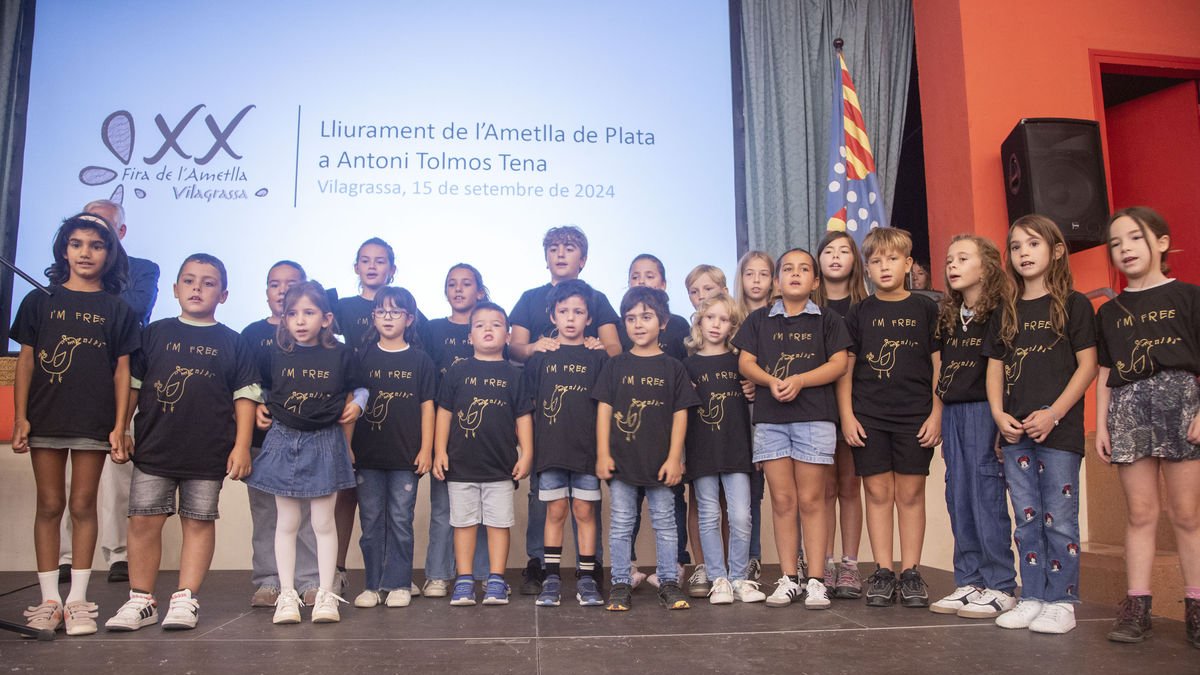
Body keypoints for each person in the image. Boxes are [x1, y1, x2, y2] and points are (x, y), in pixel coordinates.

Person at [104, 254, 258, 631]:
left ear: (223, 295)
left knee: (199, 522)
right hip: (155, 449)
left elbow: (245, 397)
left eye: (208, 283)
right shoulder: (153, 333)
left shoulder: (234, 342)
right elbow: (133, 387)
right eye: (189, 281)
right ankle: (141, 600)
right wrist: (121, 427)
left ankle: (185, 598)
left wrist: (241, 446)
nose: (197, 288)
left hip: (208, 452)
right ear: (175, 289)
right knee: (143, 521)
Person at [11, 213, 139, 635]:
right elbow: (26, 362)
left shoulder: (117, 309)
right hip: (47, 416)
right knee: (50, 505)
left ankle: (79, 600)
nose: (86, 253)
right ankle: (49, 599)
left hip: (93, 421)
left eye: (97, 246)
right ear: (63, 249)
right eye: (77, 244)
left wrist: (119, 425)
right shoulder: (39, 301)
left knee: (84, 505)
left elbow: (123, 372)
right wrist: (21, 418)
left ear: (110, 253)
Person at [985, 214, 1096, 634]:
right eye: (1015, 247)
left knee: (1060, 520)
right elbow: (995, 368)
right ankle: (1031, 594)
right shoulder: (1005, 310)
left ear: (1056, 251)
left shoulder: (1074, 305)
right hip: (1015, 434)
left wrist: (1053, 413)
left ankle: (1062, 600)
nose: (1024, 253)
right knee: (1027, 518)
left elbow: (1086, 367)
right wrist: (998, 414)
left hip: (1059, 432)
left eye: (1032, 244)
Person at [1094, 206, 1200, 648]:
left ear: (1160, 242)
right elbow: (1104, 373)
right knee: (1140, 513)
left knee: (1187, 513)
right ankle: (1138, 606)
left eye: (1134, 238)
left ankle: (1196, 604)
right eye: (1116, 243)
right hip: (1129, 408)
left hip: (1182, 404)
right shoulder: (1110, 311)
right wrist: (1101, 424)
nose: (1125, 249)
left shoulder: (1189, 296)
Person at [734, 249, 851, 608]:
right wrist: (772, 381)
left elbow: (838, 364)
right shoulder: (759, 321)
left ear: (815, 281)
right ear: (776, 281)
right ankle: (789, 577)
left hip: (815, 419)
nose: (795, 275)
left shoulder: (828, 320)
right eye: (787, 269)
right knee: (783, 502)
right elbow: (745, 361)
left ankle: (815, 578)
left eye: (804, 270)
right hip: (771, 421)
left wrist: (799, 380)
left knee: (812, 500)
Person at [508, 226, 620, 594]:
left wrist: (595, 346)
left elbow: (613, 349)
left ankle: (592, 570)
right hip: (547, 417)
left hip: (584, 421)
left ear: (582, 259)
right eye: (554, 248)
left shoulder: (598, 298)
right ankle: (540, 567)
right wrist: (537, 346)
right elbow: (516, 349)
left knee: (586, 504)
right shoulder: (529, 297)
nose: (560, 254)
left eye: (569, 249)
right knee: (545, 500)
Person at [245, 281, 364, 625]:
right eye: (292, 314)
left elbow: (360, 386)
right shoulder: (276, 352)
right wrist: (258, 406)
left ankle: (326, 594)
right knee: (287, 522)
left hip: (325, 440)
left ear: (326, 318)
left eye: (308, 313)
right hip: (283, 439)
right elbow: (259, 385)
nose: (300, 320)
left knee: (323, 523)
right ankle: (287, 594)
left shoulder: (340, 353)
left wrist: (357, 405)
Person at [839, 227, 942, 609]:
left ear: (908, 264)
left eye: (893, 259)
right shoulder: (859, 312)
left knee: (911, 494)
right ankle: (883, 571)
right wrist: (848, 415)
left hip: (915, 416)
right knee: (878, 493)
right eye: (876, 261)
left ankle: (911, 571)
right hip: (870, 416)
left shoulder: (926, 308)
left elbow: (938, 365)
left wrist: (937, 412)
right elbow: (847, 370)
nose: (885, 267)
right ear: (867, 269)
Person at [59, 199, 159, 586]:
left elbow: (134, 308)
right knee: (70, 476)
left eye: (102, 227)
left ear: (120, 234)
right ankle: (65, 557)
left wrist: (85, 292)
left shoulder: (143, 269)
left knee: (119, 472)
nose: (91, 239)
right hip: (73, 382)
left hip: (125, 381)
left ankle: (119, 554)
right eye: (84, 227)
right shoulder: (66, 271)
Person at [595, 286, 701, 611]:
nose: (638, 324)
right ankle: (620, 584)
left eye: (646, 317)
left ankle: (669, 581)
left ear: (663, 322)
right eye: (630, 318)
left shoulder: (673, 368)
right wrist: (602, 454)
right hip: (623, 463)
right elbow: (604, 411)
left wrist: (674, 458)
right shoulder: (615, 366)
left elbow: (680, 415)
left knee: (666, 523)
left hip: (661, 464)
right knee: (622, 523)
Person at [929, 235, 1018, 619]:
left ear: (987, 267)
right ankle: (970, 580)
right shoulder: (948, 318)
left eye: (963, 258)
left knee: (986, 494)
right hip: (954, 413)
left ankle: (1000, 584)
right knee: (958, 493)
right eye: (949, 259)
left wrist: (1001, 417)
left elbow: (1007, 371)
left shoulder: (1000, 312)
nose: (952, 265)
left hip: (985, 411)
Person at [433, 301, 533, 607]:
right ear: (469, 336)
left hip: (500, 466)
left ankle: (497, 580)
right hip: (461, 465)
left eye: (496, 324)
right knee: (462, 524)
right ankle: (464, 581)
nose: (487, 329)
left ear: (508, 335)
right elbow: (444, 414)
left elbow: (523, 417)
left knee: (498, 524)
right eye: (479, 325)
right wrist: (439, 451)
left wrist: (527, 452)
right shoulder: (457, 371)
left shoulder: (515, 374)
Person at [241, 261, 320, 607]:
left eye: (292, 284)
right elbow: (242, 384)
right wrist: (258, 403)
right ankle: (269, 580)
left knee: (306, 514)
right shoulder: (251, 334)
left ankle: (308, 581)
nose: (282, 291)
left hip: (307, 438)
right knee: (267, 514)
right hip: (264, 440)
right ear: (267, 291)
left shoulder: (318, 340)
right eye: (275, 284)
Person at [524, 280, 608, 607]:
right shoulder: (540, 358)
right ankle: (552, 578)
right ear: (552, 315)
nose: (570, 318)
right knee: (555, 511)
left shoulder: (598, 358)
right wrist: (531, 451)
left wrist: (602, 452)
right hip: (550, 452)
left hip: (586, 452)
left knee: (584, 510)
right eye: (563, 312)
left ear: (589, 318)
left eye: (578, 312)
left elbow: (604, 409)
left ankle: (587, 579)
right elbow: (528, 410)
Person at [351, 287, 436, 609]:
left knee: (400, 520)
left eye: (396, 312)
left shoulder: (420, 360)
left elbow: (428, 407)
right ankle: (373, 585)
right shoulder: (360, 357)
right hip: (367, 456)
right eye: (382, 311)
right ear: (373, 316)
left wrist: (426, 449)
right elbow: (349, 404)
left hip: (405, 457)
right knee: (371, 521)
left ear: (409, 319)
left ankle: (399, 582)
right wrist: (347, 448)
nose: (388, 317)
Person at [684, 292, 765, 604]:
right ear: (699, 321)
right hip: (701, 451)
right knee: (707, 514)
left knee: (741, 516)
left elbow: (752, 412)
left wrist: (757, 449)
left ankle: (739, 578)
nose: (716, 325)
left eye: (724, 319)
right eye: (710, 317)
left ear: (732, 327)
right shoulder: (686, 366)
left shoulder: (741, 364)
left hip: (737, 451)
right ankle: (719, 579)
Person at [330, 237, 398, 598]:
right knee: (345, 493)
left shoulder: (399, 304)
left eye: (381, 261)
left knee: (385, 498)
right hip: (347, 407)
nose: (373, 266)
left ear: (392, 268)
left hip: (387, 410)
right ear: (356, 267)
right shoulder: (339, 307)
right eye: (365, 260)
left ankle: (391, 573)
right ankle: (336, 570)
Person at [421, 263, 491, 596]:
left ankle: (480, 575)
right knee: (443, 509)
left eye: (466, 284)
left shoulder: (489, 327)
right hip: (444, 429)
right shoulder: (432, 330)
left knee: (480, 510)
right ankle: (438, 574)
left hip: (482, 434)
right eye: (452, 284)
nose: (459, 289)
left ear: (480, 291)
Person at [625, 255, 691, 592]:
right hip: (632, 437)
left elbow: (688, 378)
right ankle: (629, 566)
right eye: (635, 276)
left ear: (663, 284)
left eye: (649, 276)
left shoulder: (679, 326)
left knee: (671, 502)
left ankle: (675, 563)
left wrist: (677, 452)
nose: (642, 281)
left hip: (667, 435)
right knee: (629, 504)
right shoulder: (626, 330)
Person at [813, 231, 870, 597]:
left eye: (844, 251)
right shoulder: (808, 307)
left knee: (850, 487)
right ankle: (826, 563)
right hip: (816, 405)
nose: (835, 257)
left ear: (855, 260)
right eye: (828, 251)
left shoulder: (865, 306)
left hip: (858, 406)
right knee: (824, 489)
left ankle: (850, 565)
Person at [734, 250, 775, 582]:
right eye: (750, 274)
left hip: (771, 413)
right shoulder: (729, 318)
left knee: (770, 490)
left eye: (763, 274)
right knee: (742, 493)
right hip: (735, 417)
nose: (757, 280)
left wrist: (759, 385)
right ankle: (743, 558)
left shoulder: (780, 317)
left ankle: (762, 556)